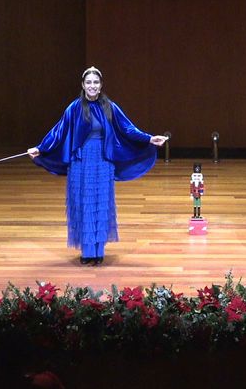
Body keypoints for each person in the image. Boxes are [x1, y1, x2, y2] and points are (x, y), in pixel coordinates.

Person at [27, 66, 167, 266]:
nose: (92, 86)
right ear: (83, 86)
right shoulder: (74, 108)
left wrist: (149, 138)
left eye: (96, 82)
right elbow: (58, 132)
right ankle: (87, 251)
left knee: (100, 203)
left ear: (101, 86)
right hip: (81, 161)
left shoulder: (110, 107)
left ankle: (98, 250)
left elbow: (128, 128)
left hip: (102, 160)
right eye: (89, 82)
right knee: (83, 203)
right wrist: (40, 148)